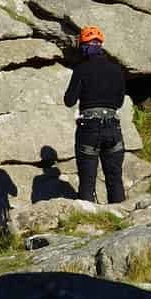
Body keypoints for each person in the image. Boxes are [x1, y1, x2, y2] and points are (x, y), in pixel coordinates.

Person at [63, 25, 126, 204]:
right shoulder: (116, 69)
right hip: (113, 126)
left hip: (89, 127)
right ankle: (121, 218)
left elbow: (69, 100)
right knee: (114, 177)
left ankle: (87, 219)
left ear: (83, 45)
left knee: (87, 180)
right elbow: (119, 102)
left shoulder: (81, 69)